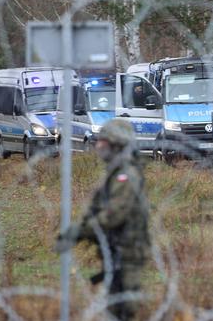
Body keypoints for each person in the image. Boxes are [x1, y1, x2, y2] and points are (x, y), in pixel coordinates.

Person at [55, 119, 150, 320]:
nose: (98, 146)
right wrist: (77, 231)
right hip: (115, 249)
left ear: (115, 144)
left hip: (128, 251)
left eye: (102, 141)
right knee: (115, 305)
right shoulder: (114, 173)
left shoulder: (126, 175)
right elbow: (94, 209)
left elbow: (114, 214)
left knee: (123, 309)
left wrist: (81, 231)